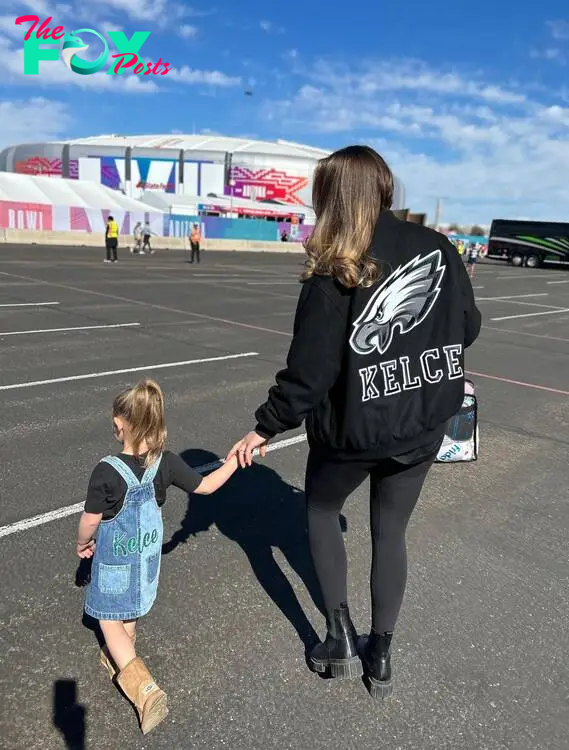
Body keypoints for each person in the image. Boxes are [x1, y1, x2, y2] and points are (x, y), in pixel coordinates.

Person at [228, 145, 481, 700]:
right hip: (419, 427)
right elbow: (468, 325)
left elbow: (310, 373)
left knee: (320, 508)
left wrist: (264, 427)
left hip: (353, 430)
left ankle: (338, 636)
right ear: (385, 188)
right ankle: (382, 652)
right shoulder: (439, 248)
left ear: (332, 196)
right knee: (391, 533)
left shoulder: (336, 264)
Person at [77, 379, 238, 734]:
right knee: (129, 613)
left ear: (124, 424)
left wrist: (82, 543)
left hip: (116, 564)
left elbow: (90, 519)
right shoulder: (166, 462)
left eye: (115, 420)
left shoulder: (106, 470)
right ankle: (120, 657)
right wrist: (234, 459)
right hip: (146, 563)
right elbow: (206, 486)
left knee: (107, 619)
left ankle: (145, 690)